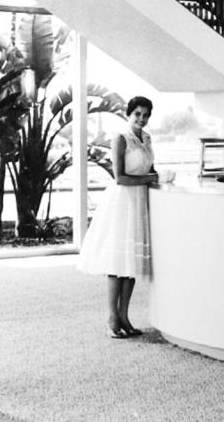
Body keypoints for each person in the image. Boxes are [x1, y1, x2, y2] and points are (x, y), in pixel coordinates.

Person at [78, 95, 158, 339]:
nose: (141, 119)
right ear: (129, 114)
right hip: (123, 201)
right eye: (137, 114)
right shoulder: (120, 138)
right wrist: (150, 179)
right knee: (117, 261)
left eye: (145, 115)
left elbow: (150, 169)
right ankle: (112, 316)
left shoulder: (147, 138)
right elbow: (120, 177)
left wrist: (157, 177)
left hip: (139, 201)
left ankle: (125, 315)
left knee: (131, 262)